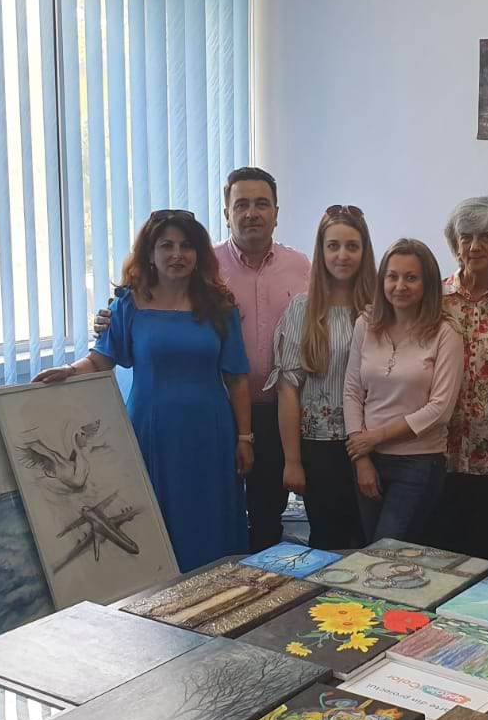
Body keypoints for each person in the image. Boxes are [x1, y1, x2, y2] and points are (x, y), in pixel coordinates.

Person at [93, 167, 309, 552]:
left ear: (276, 212)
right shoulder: (204, 266)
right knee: (156, 523)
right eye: (241, 204)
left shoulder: (300, 267)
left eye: (261, 204)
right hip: (198, 419)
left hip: (278, 411)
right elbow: (108, 351)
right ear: (226, 212)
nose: (251, 213)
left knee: (264, 519)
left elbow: (323, 319)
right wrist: (103, 325)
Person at [34, 209, 251, 571]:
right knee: (153, 522)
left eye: (186, 246)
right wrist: (69, 371)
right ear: (150, 253)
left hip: (210, 434)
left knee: (211, 518)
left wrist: (245, 438)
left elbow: (238, 378)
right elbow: (101, 359)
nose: (177, 254)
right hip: (150, 433)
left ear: (199, 253)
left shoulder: (220, 306)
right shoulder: (128, 304)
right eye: (166, 246)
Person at [343, 239, 464, 543]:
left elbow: (440, 409)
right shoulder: (365, 324)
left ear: (428, 283)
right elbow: (352, 391)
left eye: (411, 278)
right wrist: (361, 457)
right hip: (368, 458)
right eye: (392, 276)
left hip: (418, 463)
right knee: (372, 551)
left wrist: (376, 437)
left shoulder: (446, 333)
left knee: (386, 550)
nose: (400, 286)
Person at [269, 205, 375, 549]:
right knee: (328, 541)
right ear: (322, 251)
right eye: (333, 246)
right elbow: (288, 390)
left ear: (364, 251)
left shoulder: (379, 309)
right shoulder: (303, 309)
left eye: (352, 246)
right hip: (320, 448)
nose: (342, 255)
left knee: (368, 540)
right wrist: (293, 461)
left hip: (372, 444)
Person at [427, 196, 488, 563]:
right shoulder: (434, 298)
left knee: (484, 558)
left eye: (486, 236)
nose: (474, 246)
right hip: (436, 451)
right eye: (465, 237)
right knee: (436, 556)